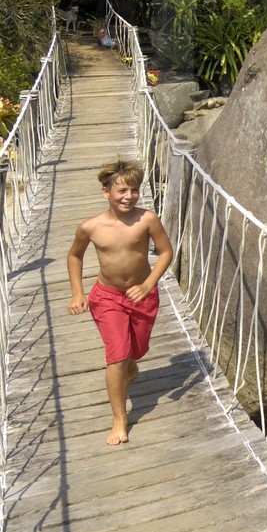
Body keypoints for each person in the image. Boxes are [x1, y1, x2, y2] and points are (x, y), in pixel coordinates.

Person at [66, 159, 175, 445]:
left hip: (142, 295)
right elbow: (74, 256)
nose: (128, 196)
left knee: (135, 350)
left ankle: (130, 363)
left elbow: (165, 252)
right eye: (121, 191)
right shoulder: (91, 227)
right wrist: (78, 292)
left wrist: (148, 283)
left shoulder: (147, 219)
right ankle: (119, 418)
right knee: (117, 355)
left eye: (134, 190)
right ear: (106, 192)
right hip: (107, 298)